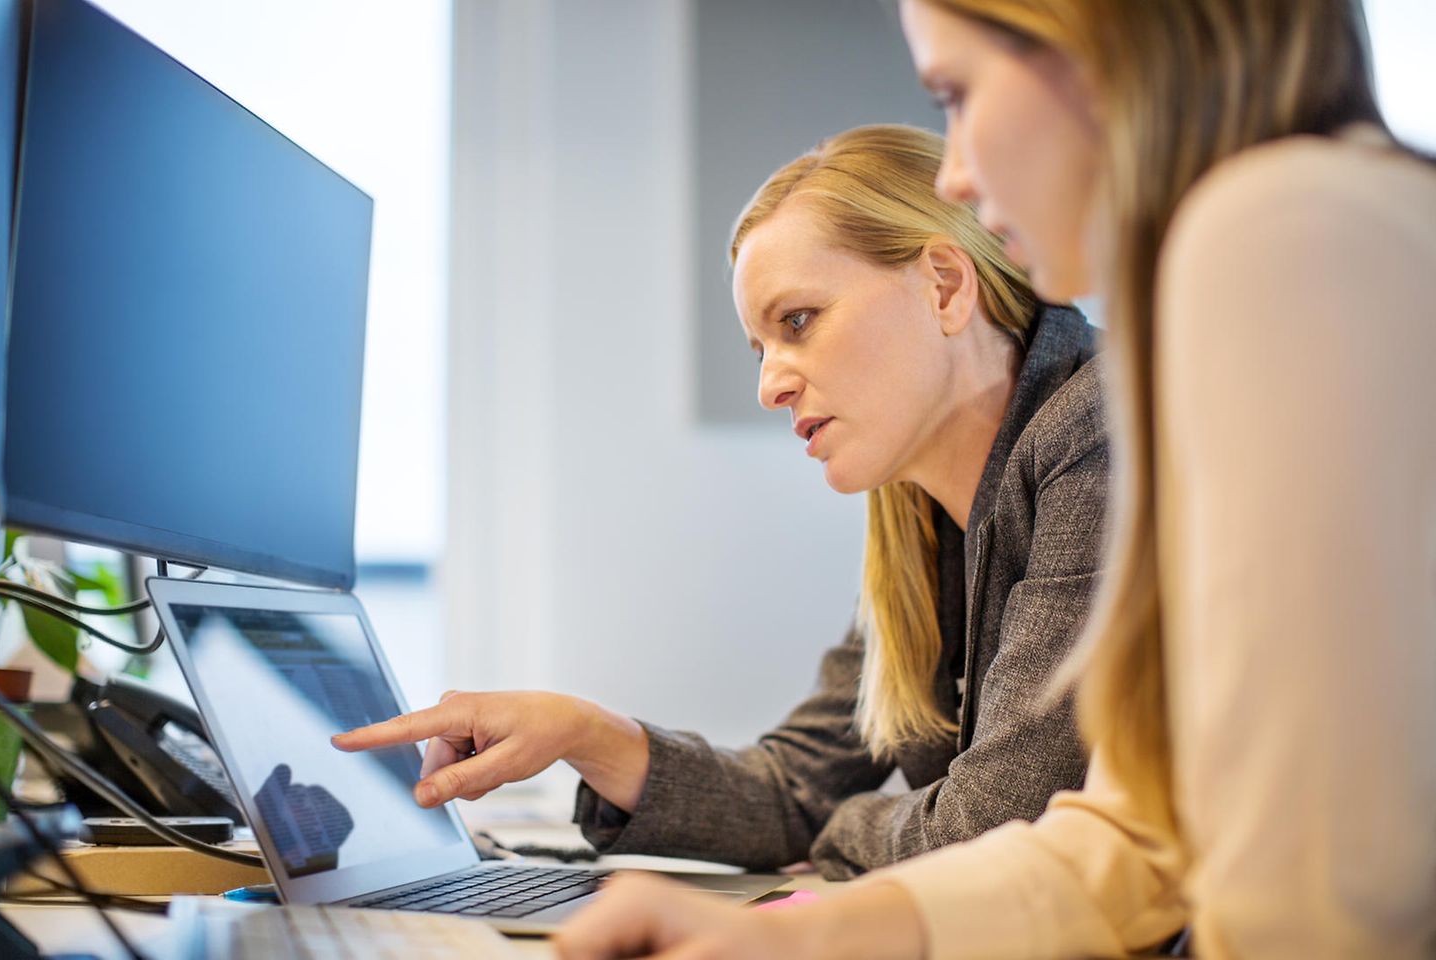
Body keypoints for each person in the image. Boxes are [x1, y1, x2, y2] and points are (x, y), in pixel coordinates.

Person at [550, 1, 1436, 958]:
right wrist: (801, 928)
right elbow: (1140, 839)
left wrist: (839, 849)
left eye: (957, 95)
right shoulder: (925, 506)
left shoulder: (1272, 237)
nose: (959, 173)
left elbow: (1324, 901)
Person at [334, 124, 1111, 880]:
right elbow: (797, 789)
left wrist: (844, 830)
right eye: (762, 347)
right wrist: (585, 731)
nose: (771, 384)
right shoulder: (916, 521)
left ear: (945, 285)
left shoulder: (1097, 430)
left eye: (798, 322)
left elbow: (992, 834)